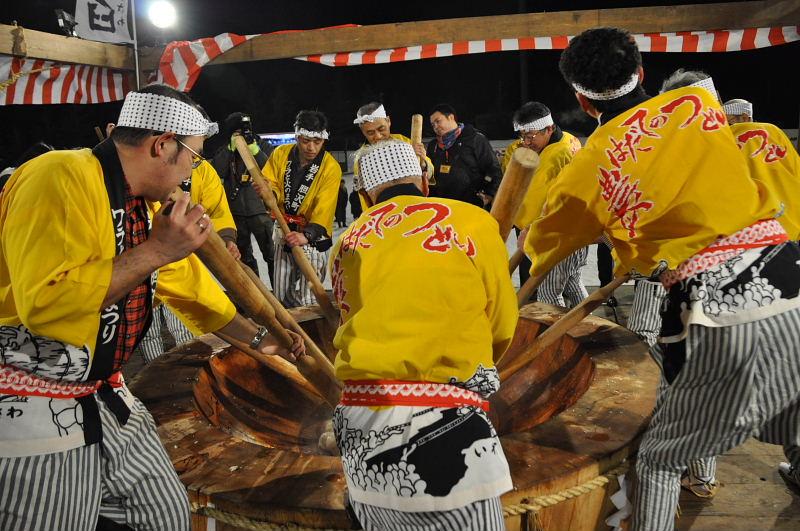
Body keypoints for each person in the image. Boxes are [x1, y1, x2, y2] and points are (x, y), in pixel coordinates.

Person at [526, 27, 800, 531]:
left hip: (714, 305)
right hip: (788, 274)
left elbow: (542, 246)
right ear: (643, 73)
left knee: (657, 458)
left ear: (582, 101)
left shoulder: (586, 167)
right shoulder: (701, 109)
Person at [0, 84, 303, 531]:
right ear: (162, 145)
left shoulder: (142, 207)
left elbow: (192, 292)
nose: (192, 173)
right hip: (34, 401)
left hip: (104, 389)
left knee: (163, 514)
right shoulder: (59, 174)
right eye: (193, 158)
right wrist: (158, 251)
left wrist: (263, 340)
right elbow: (46, 303)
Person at [331, 139, 518, 530]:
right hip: (445, 424)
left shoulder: (347, 242)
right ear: (424, 181)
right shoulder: (472, 221)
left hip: (359, 424)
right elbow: (501, 323)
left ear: (365, 195)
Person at [137, 158, 240, 363]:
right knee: (147, 330)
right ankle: (155, 376)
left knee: (185, 326)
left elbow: (217, 210)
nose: (194, 160)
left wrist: (226, 240)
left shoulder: (201, 168)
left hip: (184, 258)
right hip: (144, 261)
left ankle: (187, 376)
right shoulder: (143, 169)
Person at [505, 101, 586, 308]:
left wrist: (538, 226)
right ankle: (587, 326)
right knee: (571, 283)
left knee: (548, 292)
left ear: (548, 129)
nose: (526, 141)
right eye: (522, 136)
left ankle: (553, 334)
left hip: (556, 233)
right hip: (540, 230)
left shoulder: (561, 152)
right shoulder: (552, 143)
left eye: (530, 136)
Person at [261, 110, 342, 307]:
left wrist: (307, 234)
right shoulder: (281, 153)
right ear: (297, 136)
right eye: (306, 141)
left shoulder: (330, 167)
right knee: (282, 293)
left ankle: (311, 336)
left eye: (317, 141)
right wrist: (268, 192)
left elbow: (325, 206)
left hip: (312, 237)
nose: (311, 147)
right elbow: (271, 182)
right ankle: (292, 336)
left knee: (310, 297)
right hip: (284, 230)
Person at [211, 112, 275, 282]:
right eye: (237, 132)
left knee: (272, 255)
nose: (242, 136)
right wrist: (230, 149)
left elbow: (272, 170)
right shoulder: (226, 149)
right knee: (245, 258)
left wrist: (255, 150)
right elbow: (217, 170)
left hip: (261, 211)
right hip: (236, 211)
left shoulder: (262, 145)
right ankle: (256, 296)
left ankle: (279, 294)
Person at [426, 103, 502, 209]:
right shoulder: (433, 145)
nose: (435, 127)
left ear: (451, 117)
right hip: (443, 207)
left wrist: (488, 196)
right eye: (433, 124)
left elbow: (494, 171)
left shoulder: (475, 139)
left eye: (438, 121)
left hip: (471, 206)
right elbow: (429, 175)